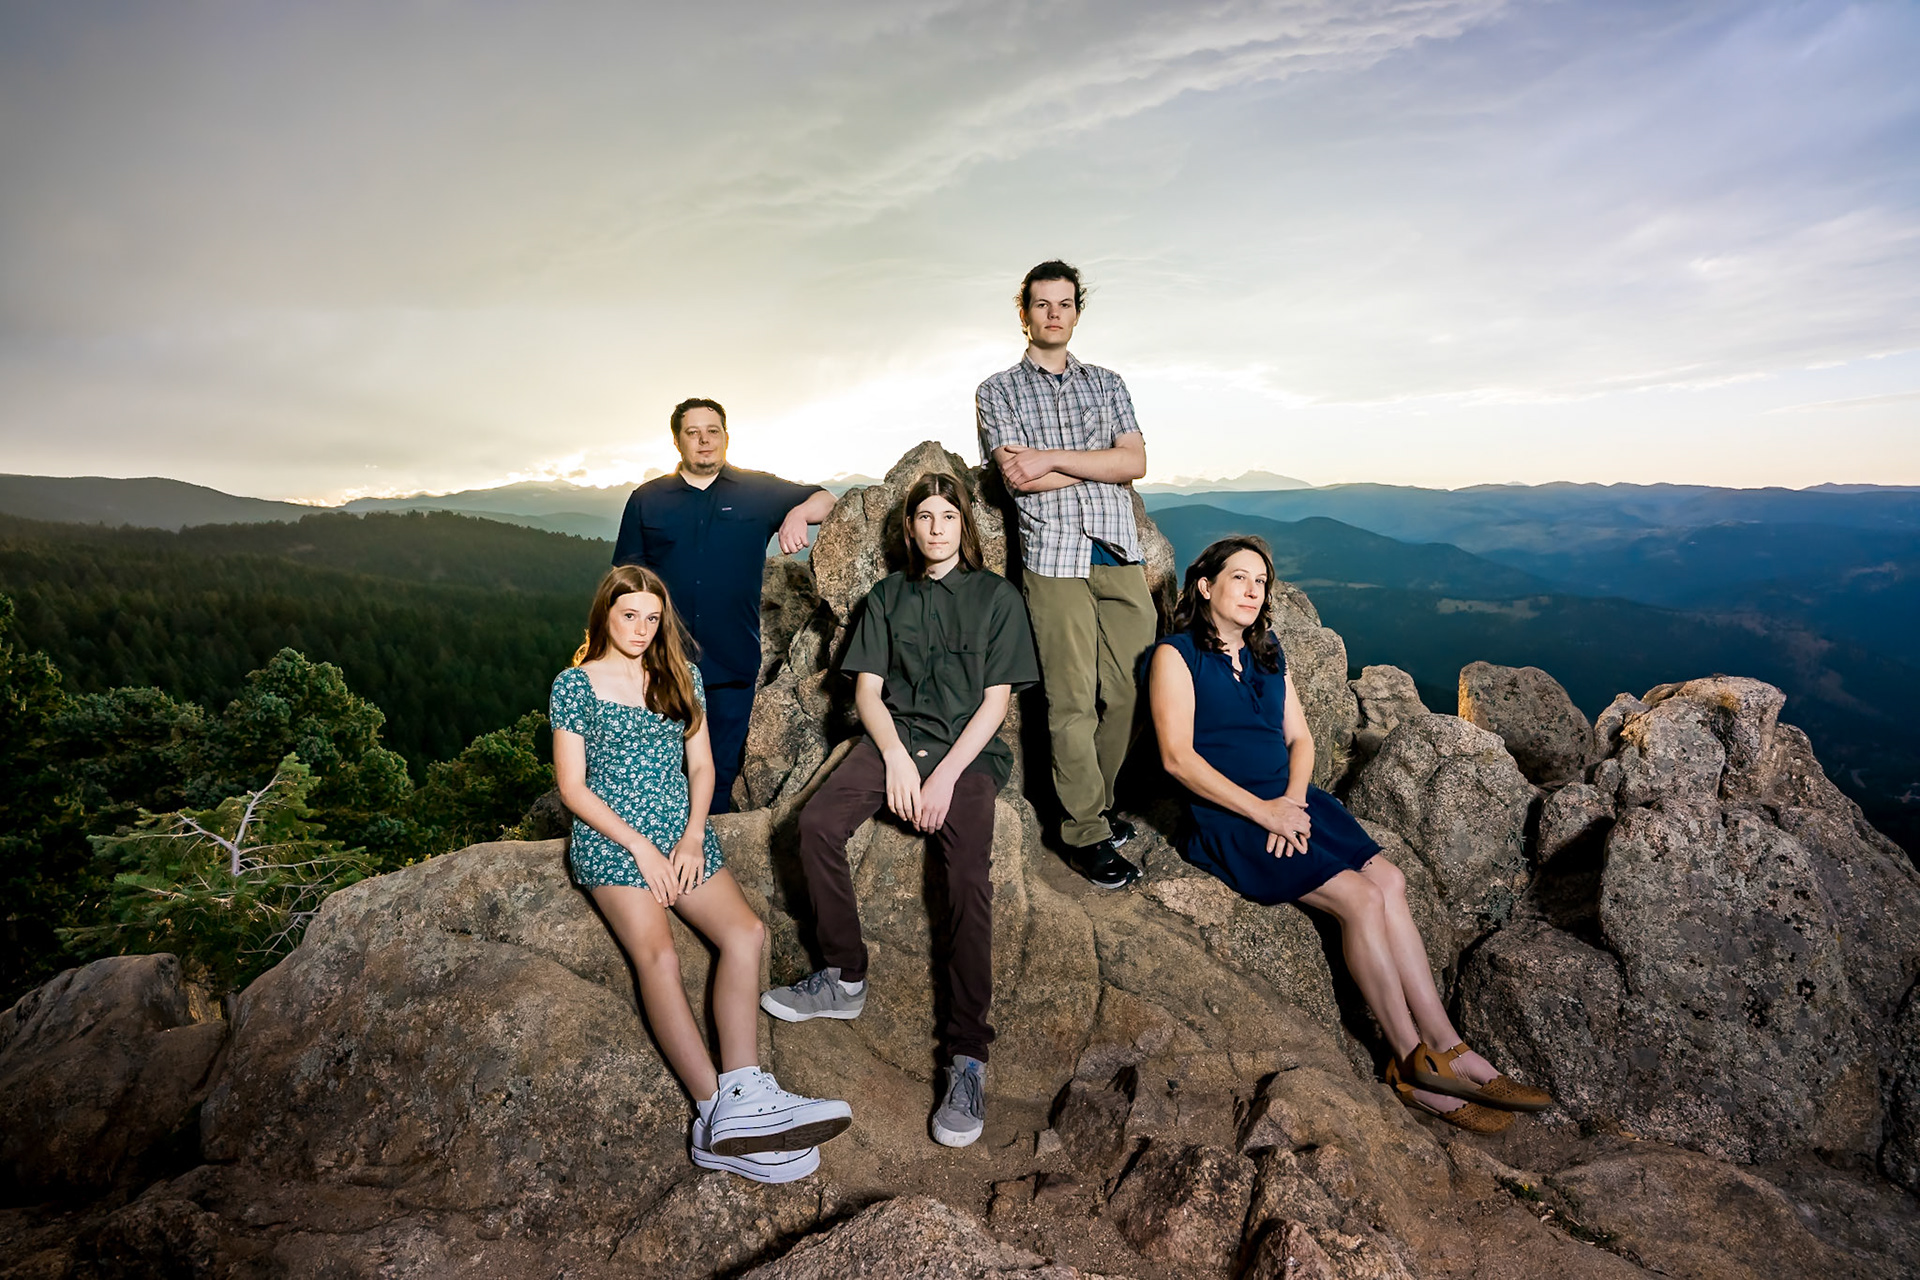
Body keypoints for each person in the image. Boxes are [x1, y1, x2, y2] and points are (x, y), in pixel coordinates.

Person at [1146, 536, 1554, 1132]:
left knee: (1389, 878)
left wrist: (1292, 801)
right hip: (1232, 816)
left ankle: (1450, 1046)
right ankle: (1411, 1064)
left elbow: (1302, 740)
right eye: (1240, 578)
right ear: (1205, 586)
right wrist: (1266, 815)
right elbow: (1178, 759)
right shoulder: (1175, 657)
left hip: (1293, 799)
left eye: (1262, 581)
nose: (1255, 591)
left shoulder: (1267, 652)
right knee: (1360, 899)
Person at [759, 471, 1039, 1149]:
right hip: (894, 738)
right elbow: (870, 694)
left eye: (949, 515)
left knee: (967, 873)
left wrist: (941, 777)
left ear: (963, 527)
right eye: (925, 517)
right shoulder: (888, 596)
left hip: (965, 755)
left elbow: (996, 704)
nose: (937, 526)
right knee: (817, 824)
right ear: (910, 529)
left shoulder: (996, 598)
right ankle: (844, 974)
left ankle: (968, 1058)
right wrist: (892, 760)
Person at [551, 564, 852, 1182]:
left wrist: (691, 838)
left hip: (679, 833)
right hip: (614, 840)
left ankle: (744, 1093)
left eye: (651, 618)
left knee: (746, 934)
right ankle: (713, 1114)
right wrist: (640, 850)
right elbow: (573, 789)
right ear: (605, 615)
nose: (640, 628)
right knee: (657, 956)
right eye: (628, 615)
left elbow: (703, 769)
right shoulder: (574, 686)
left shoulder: (680, 677)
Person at [976, 260, 1155, 890]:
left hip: (1115, 551)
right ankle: (1083, 831)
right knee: (1073, 698)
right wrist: (1094, 463)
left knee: (1134, 690)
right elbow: (1016, 477)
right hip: (1052, 558)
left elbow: (1133, 460)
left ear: (1078, 312)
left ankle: (1097, 806)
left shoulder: (1107, 383)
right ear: (1023, 313)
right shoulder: (996, 390)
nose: (1054, 314)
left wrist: (1051, 455)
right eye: (1042, 304)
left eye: (1066, 304)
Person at [611, 397, 836, 814]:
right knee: (655, 775)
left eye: (713, 431)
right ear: (678, 440)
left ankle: (699, 864)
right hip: (659, 664)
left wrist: (797, 514)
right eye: (693, 433)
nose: (704, 441)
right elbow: (624, 584)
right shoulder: (647, 499)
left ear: (726, 437)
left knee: (717, 773)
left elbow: (827, 499)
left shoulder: (758, 491)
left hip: (732, 663)